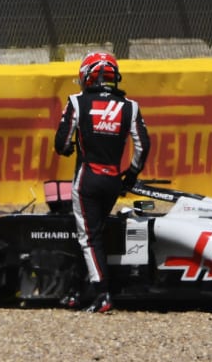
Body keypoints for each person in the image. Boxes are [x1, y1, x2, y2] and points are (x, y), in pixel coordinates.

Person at [53, 51, 150, 313]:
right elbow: (143, 145)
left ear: (86, 76)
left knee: (88, 237)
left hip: (86, 180)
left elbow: (61, 144)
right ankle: (75, 291)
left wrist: (69, 147)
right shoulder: (130, 106)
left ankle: (102, 294)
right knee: (90, 232)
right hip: (112, 180)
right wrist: (129, 175)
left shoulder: (77, 102)